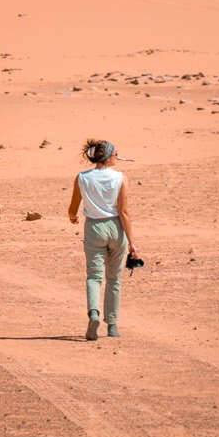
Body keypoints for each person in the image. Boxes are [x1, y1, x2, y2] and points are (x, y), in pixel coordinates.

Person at [67, 138, 138, 340]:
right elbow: (124, 212)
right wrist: (132, 243)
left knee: (94, 277)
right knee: (114, 278)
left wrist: (73, 218)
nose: (117, 156)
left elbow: (73, 209)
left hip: (94, 229)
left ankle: (93, 314)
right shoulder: (121, 178)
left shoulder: (82, 178)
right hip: (116, 228)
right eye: (116, 153)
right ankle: (113, 325)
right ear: (109, 157)